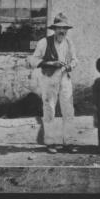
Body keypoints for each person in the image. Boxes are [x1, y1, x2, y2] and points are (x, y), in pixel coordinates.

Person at [29, 13, 78, 154]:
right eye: (59, 28)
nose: (62, 31)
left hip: (65, 79)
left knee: (68, 111)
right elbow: (33, 60)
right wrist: (51, 63)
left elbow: (75, 59)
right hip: (49, 79)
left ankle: (69, 142)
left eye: (64, 29)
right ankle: (50, 142)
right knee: (49, 110)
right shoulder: (44, 42)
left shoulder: (69, 43)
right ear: (54, 29)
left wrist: (71, 65)